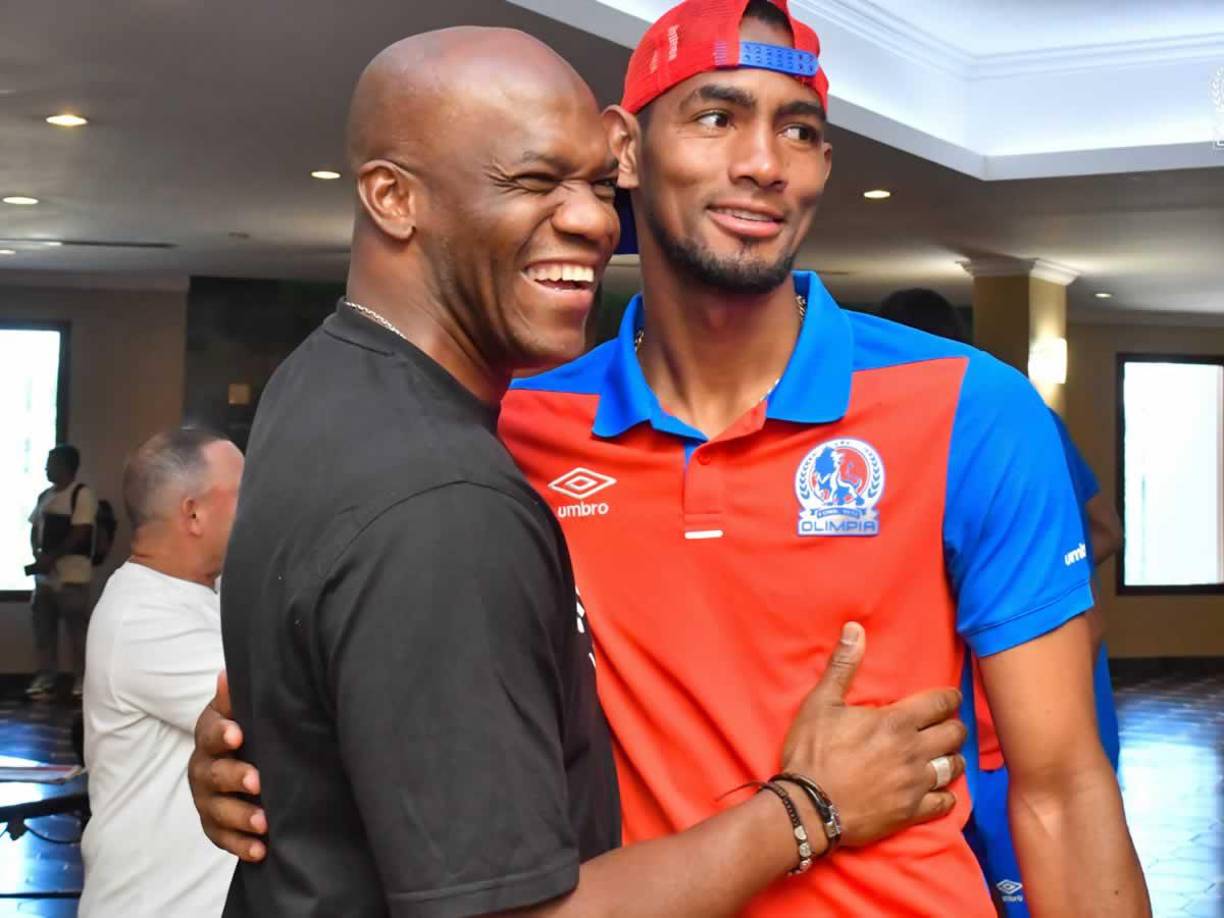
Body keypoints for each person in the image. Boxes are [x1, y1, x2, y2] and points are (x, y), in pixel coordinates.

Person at [192, 3, 1150, 915]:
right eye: (718, 117)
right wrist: (264, 749)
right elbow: (366, 643)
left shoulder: (971, 409)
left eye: (800, 130)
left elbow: (1064, 789)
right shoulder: (516, 422)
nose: (764, 163)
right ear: (625, 150)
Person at [879, 286, 1127, 915]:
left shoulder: (997, 419)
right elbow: (1105, 532)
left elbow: (1102, 535)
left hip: (1012, 730)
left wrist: (1021, 594)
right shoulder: (901, 431)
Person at [79, 428, 243, 917]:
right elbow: (282, 706)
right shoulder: (142, 616)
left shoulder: (200, 596)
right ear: (193, 513)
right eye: (244, 492)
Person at [26, 444, 97, 699]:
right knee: (43, 630)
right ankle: (46, 677)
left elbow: (81, 532)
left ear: (66, 466)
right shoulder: (45, 496)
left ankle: (82, 679)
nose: (46, 468)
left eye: (51, 463)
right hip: (44, 578)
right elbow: (35, 527)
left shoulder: (81, 494)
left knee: (77, 631)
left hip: (72, 576)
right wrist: (38, 554)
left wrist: (52, 557)